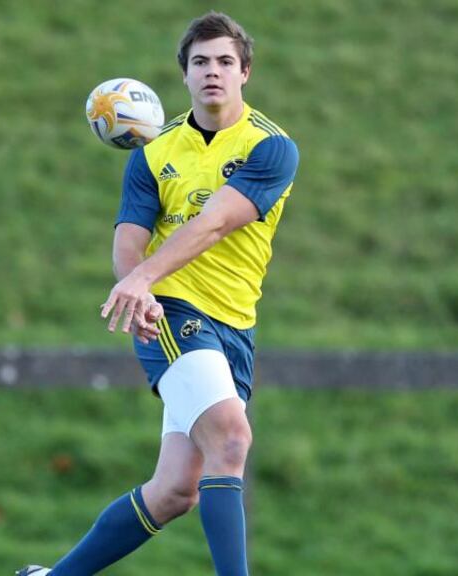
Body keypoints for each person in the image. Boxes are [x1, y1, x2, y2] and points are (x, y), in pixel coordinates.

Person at [18, 11, 299, 576]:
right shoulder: (151, 153)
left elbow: (217, 222)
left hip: (234, 326)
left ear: (246, 72)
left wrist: (140, 276)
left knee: (175, 491)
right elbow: (129, 242)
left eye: (224, 61)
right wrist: (140, 284)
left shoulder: (273, 149)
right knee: (231, 439)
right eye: (200, 63)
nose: (212, 72)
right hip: (171, 312)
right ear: (185, 75)